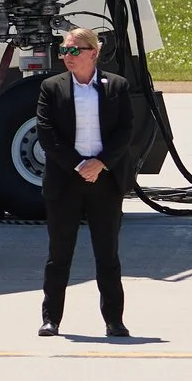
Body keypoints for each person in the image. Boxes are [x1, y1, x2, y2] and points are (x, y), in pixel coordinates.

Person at [35, 27, 133, 337]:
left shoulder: (116, 86)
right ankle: (51, 319)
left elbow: (125, 131)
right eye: (64, 50)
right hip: (66, 180)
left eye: (74, 50)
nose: (67, 56)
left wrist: (100, 163)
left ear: (93, 52)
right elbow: (47, 134)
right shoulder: (52, 87)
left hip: (104, 180)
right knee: (59, 254)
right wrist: (79, 165)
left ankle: (114, 321)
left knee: (107, 254)